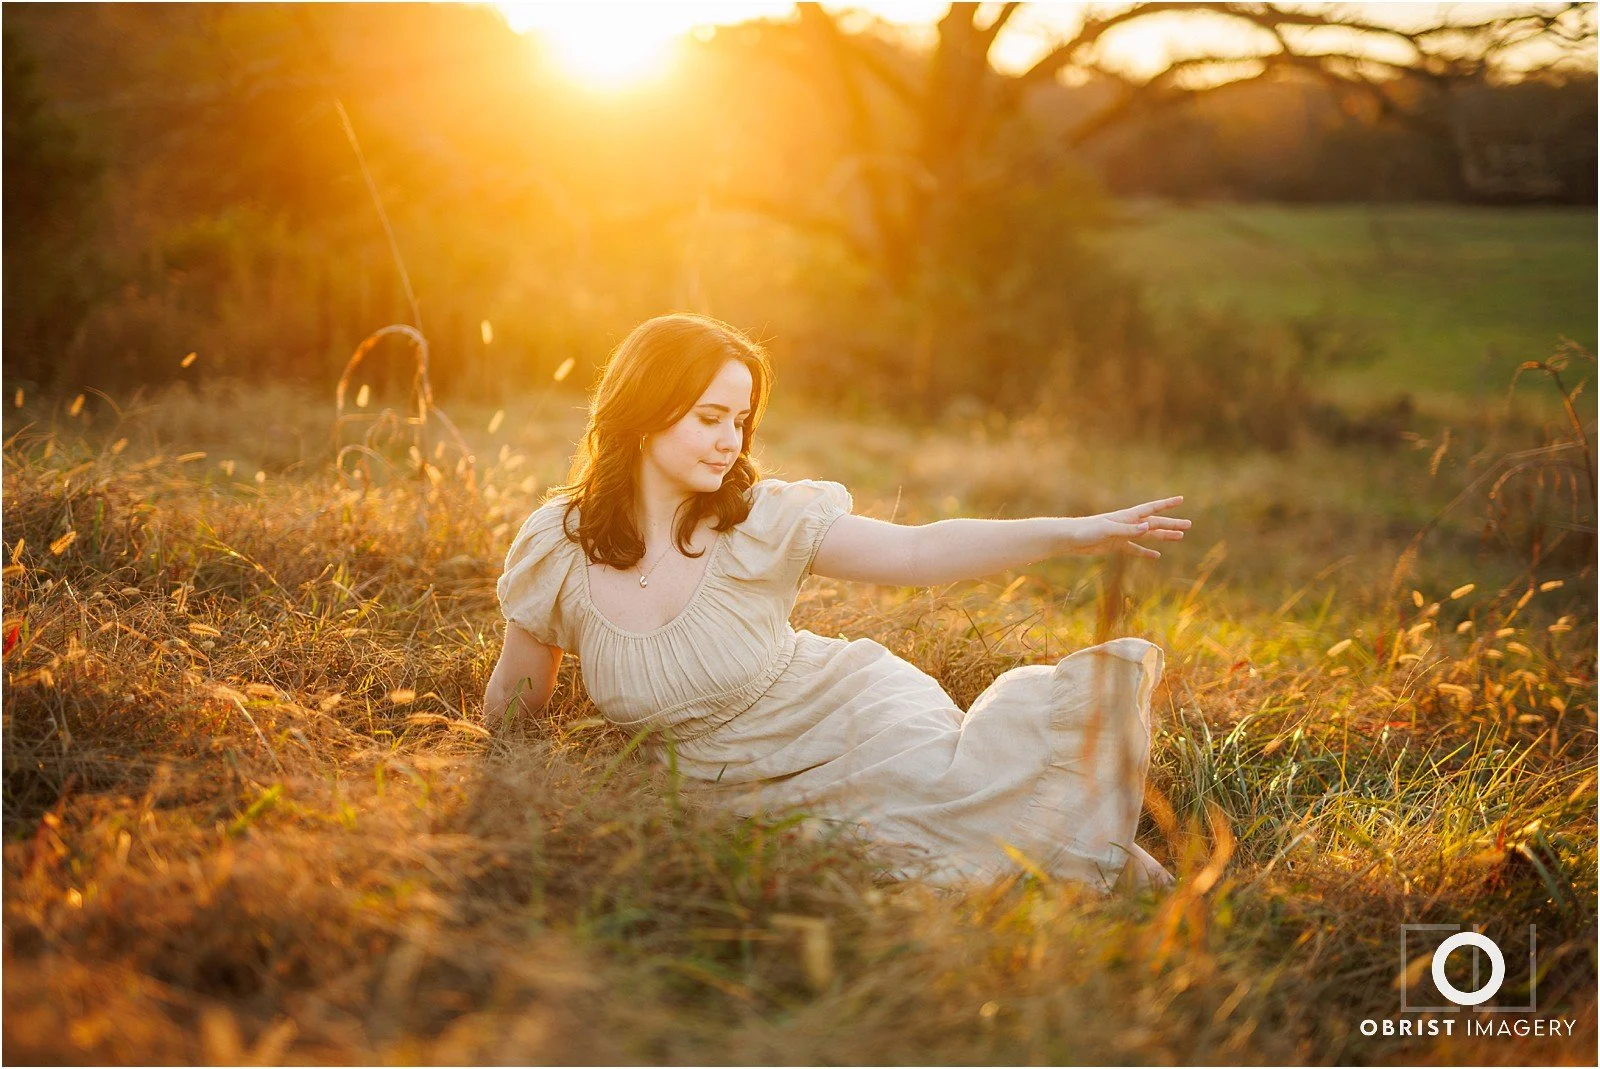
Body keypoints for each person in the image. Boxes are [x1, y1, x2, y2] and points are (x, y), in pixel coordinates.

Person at [483, 313, 1192, 894]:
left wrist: (1073, 533)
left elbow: (916, 553)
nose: (730, 440)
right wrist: (502, 796)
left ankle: (1178, 905)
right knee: (901, 873)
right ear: (643, 411)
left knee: (964, 812)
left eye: (740, 419)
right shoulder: (558, 547)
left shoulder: (759, 520)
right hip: (728, 793)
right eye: (709, 416)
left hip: (849, 719)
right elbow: (517, 700)